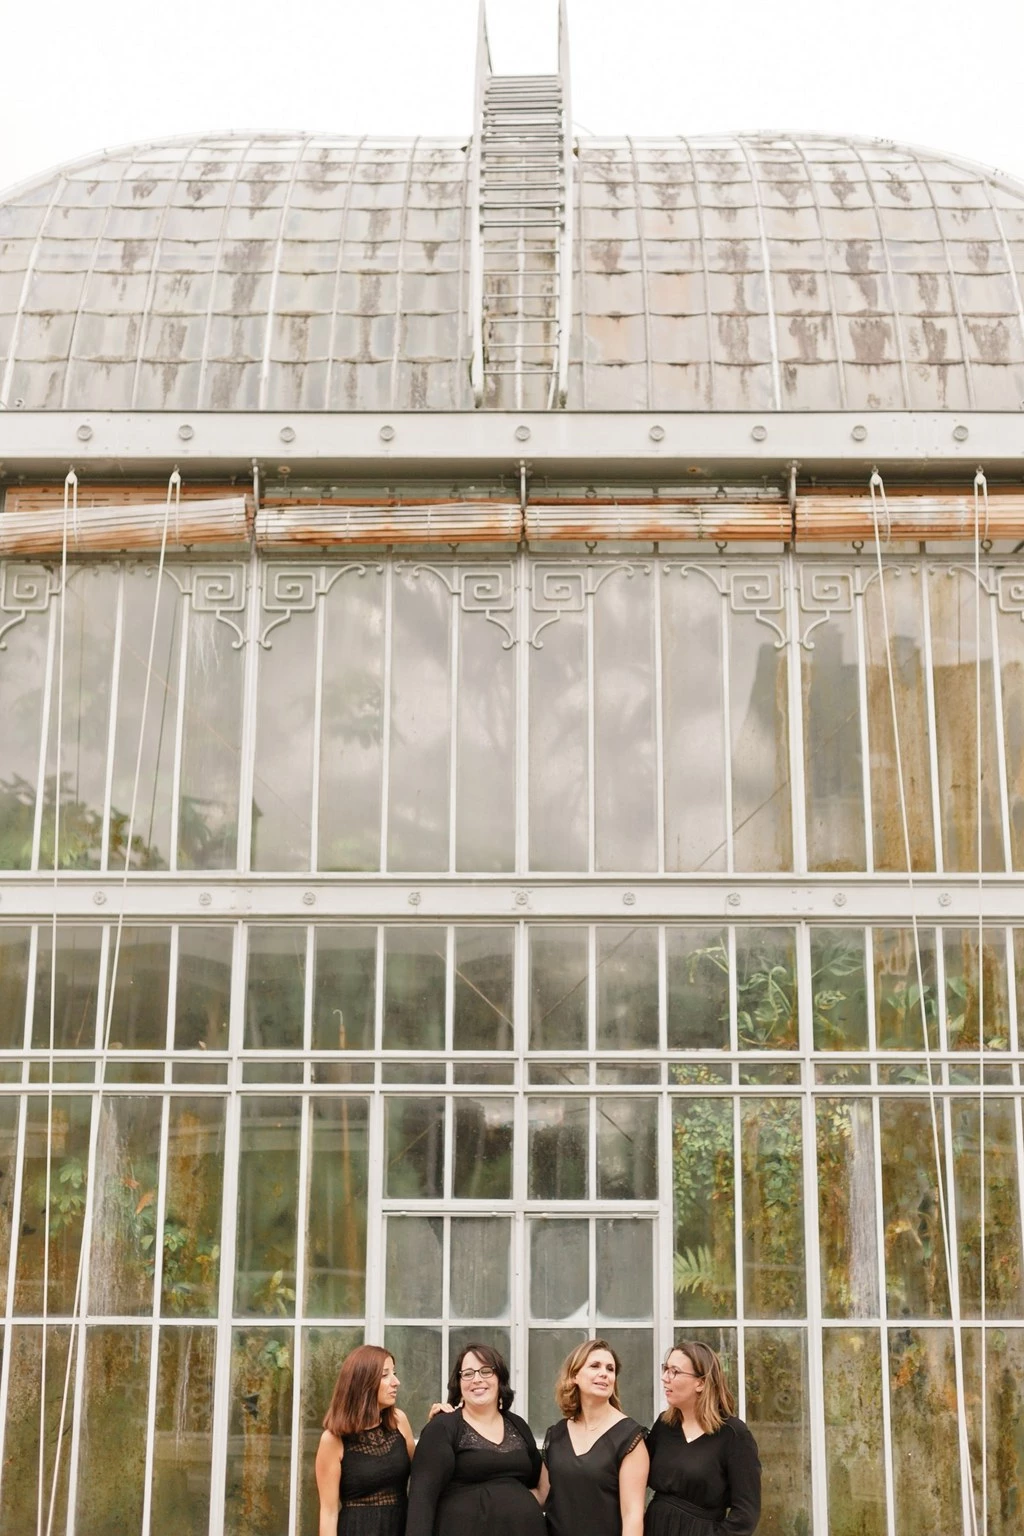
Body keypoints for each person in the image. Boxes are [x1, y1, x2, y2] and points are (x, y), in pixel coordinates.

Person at [405, 1342, 545, 1536]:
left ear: (499, 1378)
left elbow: (537, 1480)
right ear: (459, 1383)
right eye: (468, 1374)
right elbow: (422, 1500)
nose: (477, 1379)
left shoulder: (518, 1425)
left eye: (486, 1371)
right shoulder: (442, 1428)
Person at [644, 1342, 760, 1536]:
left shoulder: (734, 1435)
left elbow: (746, 1514)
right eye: (665, 1369)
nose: (665, 1378)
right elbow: (634, 1478)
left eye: (675, 1371)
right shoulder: (664, 1426)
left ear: (701, 1383)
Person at [538, 1337, 649, 1536]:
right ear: (574, 1376)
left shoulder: (629, 1437)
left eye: (610, 1369)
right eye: (595, 1366)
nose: (604, 1373)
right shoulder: (556, 1435)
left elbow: (632, 1516)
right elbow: (542, 1495)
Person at [314, 1344, 415, 1536]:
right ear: (363, 1383)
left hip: (401, 1527)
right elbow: (328, 1513)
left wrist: (438, 1425)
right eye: (385, 1375)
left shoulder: (399, 1421)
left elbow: (425, 1475)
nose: (396, 1382)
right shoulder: (332, 1440)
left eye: (394, 1373)